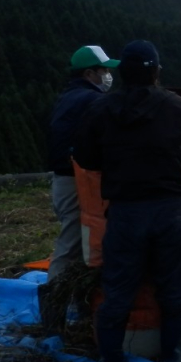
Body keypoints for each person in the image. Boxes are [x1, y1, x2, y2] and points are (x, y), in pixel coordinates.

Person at [73, 40, 181, 362]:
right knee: (174, 284)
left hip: (126, 211)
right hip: (169, 209)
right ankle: (172, 355)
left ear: (121, 73)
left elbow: (85, 159)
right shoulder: (178, 107)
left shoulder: (100, 109)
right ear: (157, 71)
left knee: (118, 287)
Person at [45, 45, 119, 285]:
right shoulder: (91, 100)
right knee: (72, 243)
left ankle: (72, 299)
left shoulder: (70, 97)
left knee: (80, 241)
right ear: (89, 74)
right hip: (75, 181)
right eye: (103, 70)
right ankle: (54, 303)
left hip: (65, 178)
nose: (108, 76)